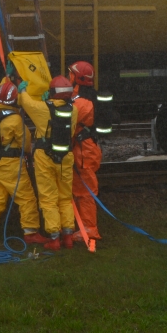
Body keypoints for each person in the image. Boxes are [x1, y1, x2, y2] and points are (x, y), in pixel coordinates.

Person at [0, 79, 43, 244]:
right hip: (12, 165)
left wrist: (7, 76)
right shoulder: (14, 120)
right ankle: (30, 232)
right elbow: (26, 143)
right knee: (26, 197)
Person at [19, 75, 77, 250]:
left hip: (45, 157)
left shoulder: (42, 109)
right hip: (65, 157)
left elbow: (26, 102)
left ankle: (54, 239)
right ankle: (68, 237)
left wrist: (21, 88)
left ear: (52, 93)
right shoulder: (74, 110)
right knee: (65, 198)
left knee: (48, 199)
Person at [68, 60, 101, 245]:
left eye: (70, 74)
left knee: (85, 192)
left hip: (83, 153)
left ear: (77, 78)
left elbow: (70, 127)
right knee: (80, 190)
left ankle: (89, 229)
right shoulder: (83, 98)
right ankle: (82, 225)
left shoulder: (81, 103)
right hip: (84, 150)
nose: (68, 77)